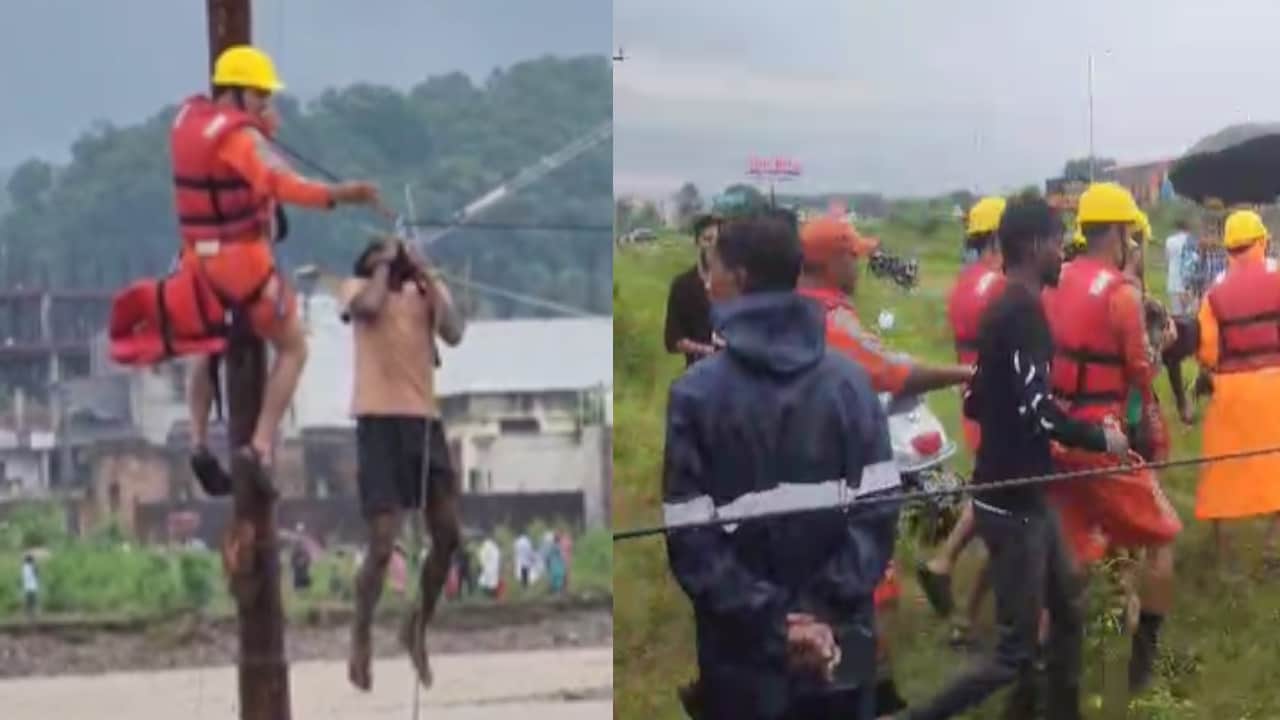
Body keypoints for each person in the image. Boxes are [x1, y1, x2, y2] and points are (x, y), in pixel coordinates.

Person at [897, 196, 1131, 720]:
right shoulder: (1022, 313)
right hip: (1012, 501)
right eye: (1057, 242)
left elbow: (981, 393)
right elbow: (1042, 415)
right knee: (1013, 654)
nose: (1063, 253)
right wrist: (1102, 439)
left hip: (1026, 490)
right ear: (1033, 246)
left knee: (1068, 608)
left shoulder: (1007, 306)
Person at [664, 213, 901, 720]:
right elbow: (880, 514)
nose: (707, 281)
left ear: (741, 278)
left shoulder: (694, 396)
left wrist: (776, 622)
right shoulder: (851, 384)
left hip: (742, 655)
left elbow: (690, 540)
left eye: (715, 268)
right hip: (842, 638)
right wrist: (819, 615)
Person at [178, 46, 383, 494]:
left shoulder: (191, 125)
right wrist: (342, 193)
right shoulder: (241, 139)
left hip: (195, 262)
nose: (263, 104)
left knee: (203, 348)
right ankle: (261, 445)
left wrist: (262, 128)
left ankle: (196, 440)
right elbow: (280, 182)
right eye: (258, 95)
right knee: (294, 347)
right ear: (233, 90)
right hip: (240, 264)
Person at [793, 215, 972, 713]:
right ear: (831, 260)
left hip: (793, 481)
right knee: (873, 592)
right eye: (855, 254)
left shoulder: (787, 310)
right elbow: (895, 372)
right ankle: (866, 693)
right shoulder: (829, 319)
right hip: (841, 481)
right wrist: (967, 372)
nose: (862, 262)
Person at [1043, 183, 1182, 695]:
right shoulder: (1123, 294)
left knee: (1075, 555)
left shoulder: (1053, 280)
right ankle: (1143, 668)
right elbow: (1140, 371)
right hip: (1101, 441)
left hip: (1056, 435)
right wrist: (1162, 344)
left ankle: (1042, 670)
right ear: (1123, 233)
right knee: (1164, 536)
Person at [339, 236, 465, 692]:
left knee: (449, 534)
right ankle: (360, 637)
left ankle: (417, 624)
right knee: (381, 542)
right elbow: (369, 306)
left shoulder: (423, 295)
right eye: (381, 258)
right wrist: (382, 266)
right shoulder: (356, 289)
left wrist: (426, 272)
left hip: (423, 422)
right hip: (377, 422)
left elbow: (453, 330)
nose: (393, 265)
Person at [917, 196, 1006, 647]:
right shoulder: (998, 287)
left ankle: (945, 562)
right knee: (1008, 513)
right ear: (997, 236)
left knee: (987, 496)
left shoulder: (963, 284)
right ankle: (965, 616)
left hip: (973, 401)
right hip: (998, 408)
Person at [1194, 210, 1280, 570]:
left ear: (1228, 247)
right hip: (1276, 383)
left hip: (1231, 389)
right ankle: (1273, 550)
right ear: (1263, 241)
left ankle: (1225, 557)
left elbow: (1208, 352)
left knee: (1222, 472)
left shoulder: (1214, 293)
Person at [664, 214, 723, 366]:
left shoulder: (736, 283)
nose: (713, 246)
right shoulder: (682, 286)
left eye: (718, 241)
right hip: (698, 372)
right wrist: (708, 350)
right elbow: (673, 340)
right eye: (708, 239)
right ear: (697, 242)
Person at [21, 554, 38, 619]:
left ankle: (28, 613)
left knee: (29, 601)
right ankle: (31, 613)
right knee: (33, 601)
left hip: (27, 587)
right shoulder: (32, 567)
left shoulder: (24, 567)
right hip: (32, 586)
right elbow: (36, 574)